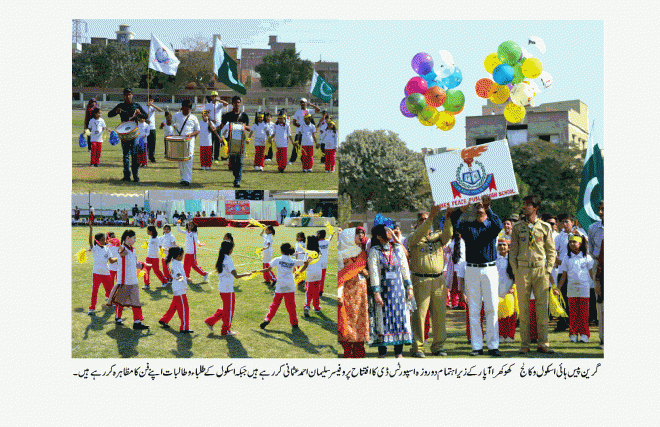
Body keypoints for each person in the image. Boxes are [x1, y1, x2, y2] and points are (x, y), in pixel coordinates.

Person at [456, 196, 503, 357]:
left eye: (482, 205)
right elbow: (455, 223)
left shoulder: (491, 226)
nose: (480, 207)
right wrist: (461, 210)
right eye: (478, 205)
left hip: (489, 269)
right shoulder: (468, 226)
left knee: (491, 308)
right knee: (474, 309)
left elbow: (499, 224)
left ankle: (493, 345)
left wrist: (489, 207)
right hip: (472, 269)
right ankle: (476, 346)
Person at [509, 195, 557, 354]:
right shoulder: (517, 227)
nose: (525, 207)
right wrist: (515, 271)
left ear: (536, 207)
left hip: (540, 270)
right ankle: (524, 344)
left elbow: (551, 251)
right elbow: (513, 252)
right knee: (523, 309)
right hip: (522, 270)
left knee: (542, 308)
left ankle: (543, 343)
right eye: (524, 204)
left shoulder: (544, 227)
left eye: (529, 205)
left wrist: (548, 269)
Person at [407, 205, 454, 357]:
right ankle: (418, 347)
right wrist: (431, 217)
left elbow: (448, 235)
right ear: (417, 222)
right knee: (419, 316)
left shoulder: (437, 237)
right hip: (421, 280)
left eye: (427, 219)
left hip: (438, 280)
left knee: (439, 315)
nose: (425, 222)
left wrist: (447, 218)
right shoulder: (413, 237)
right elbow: (419, 233)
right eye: (422, 220)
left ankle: (438, 346)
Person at [368, 224, 414, 358]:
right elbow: (374, 273)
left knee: (400, 319)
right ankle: (382, 353)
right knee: (382, 320)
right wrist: (376, 293)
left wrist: (409, 288)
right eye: (386, 230)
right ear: (378, 235)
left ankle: (398, 352)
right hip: (383, 291)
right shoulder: (374, 252)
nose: (390, 231)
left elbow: (405, 270)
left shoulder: (398, 249)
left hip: (399, 291)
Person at [204, 241, 254, 335]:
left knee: (227, 308)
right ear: (229, 249)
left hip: (223, 287)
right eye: (232, 248)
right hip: (227, 289)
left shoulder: (221, 258)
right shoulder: (228, 260)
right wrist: (247, 274)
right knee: (229, 310)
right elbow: (236, 275)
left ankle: (210, 321)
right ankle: (225, 330)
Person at [258, 243, 309, 330]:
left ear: (281, 250)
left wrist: (257, 271)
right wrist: (300, 271)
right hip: (290, 286)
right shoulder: (293, 261)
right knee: (291, 306)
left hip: (280, 286)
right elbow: (305, 263)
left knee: (274, 305)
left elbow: (268, 269)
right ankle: (294, 323)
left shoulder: (277, 259)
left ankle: (267, 319)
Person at [106, 229, 149, 329]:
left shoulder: (133, 250)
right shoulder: (123, 249)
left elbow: (135, 264)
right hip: (124, 281)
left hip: (133, 280)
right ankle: (118, 317)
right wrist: (118, 244)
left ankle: (137, 322)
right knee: (120, 301)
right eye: (133, 238)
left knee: (136, 301)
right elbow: (121, 250)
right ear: (127, 238)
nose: (135, 240)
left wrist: (143, 265)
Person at [338, 227, 369, 358]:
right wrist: (339, 294)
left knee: (360, 321)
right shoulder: (341, 254)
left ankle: (359, 351)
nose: (360, 237)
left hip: (361, 293)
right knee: (347, 321)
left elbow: (366, 269)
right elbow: (339, 276)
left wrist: (366, 272)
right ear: (349, 237)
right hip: (347, 292)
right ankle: (347, 351)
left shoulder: (362, 252)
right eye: (357, 235)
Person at [557, 235, 594, 343]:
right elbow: (564, 276)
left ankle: (584, 335)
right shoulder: (567, 258)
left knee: (583, 313)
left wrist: (597, 286)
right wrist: (558, 289)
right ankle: (573, 334)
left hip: (584, 289)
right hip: (572, 289)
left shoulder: (587, 257)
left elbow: (592, 274)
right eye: (570, 242)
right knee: (573, 313)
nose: (572, 244)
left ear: (581, 244)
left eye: (575, 242)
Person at [107, 88, 148, 182]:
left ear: (132, 95)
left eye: (129, 94)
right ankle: (126, 176)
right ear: (124, 96)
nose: (128, 96)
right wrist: (116, 112)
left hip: (134, 134)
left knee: (134, 155)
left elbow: (146, 116)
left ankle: (136, 176)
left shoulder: (136, 105)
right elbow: (109, 114)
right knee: (125, 155)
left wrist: (140, 113)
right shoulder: (120, 106)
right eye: (125, 94)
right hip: (124, 134)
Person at [158, 247, 193, 333]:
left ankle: (164, 320)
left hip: (179, 289)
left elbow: (180, 275)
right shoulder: (175, 264)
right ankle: (184, 328)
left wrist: (186, 278)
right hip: (179, 290)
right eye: (182, 255)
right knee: (184, 309)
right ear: (178, 256)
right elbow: (178, 276)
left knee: (174, 306)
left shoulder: (177, 262)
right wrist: (185, 280)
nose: (183, 256)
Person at [219, 95, 251, 187]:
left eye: (238, 102)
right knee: (233, 161)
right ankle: (236, 175)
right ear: (232, 103)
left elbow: (249, 128)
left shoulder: (244, 115)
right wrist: (215, 129)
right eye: (235, 102)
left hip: (241, 141)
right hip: (231, 140)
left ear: (240, 103)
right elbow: (221, 126)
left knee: (240, 161)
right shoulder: (228, 115)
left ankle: (237, 180)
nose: (237, 104)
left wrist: (244, 126)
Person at [87, 223, 116, 314]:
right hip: (96, 273)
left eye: (104, 239)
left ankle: (111, 302)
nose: (104, 241)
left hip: (106, 273)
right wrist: (91, 229)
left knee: (110, 289)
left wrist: (119, 258)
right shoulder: (94, 248)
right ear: (97, 240)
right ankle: (92, 308)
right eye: (102, 240)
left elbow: (111, 261)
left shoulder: (107, 249)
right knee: (94, 291)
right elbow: (90, 241)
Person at [172, 100, 201, 186]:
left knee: (188, 159)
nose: (185, 111)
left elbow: (198, 130)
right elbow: (170, 123)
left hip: (189, 141)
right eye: (184, 109)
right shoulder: (176, 115)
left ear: (190, 109)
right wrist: (168, 119)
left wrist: (190, 134)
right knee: (181, 161)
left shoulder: (193, 118)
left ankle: (187, 179)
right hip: (179, 141)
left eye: (187, 110)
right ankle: (183, 178)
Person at [496, 237, 516, 342]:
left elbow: (516, 275)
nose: (502, 247)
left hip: (510, 289)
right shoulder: (495, 259)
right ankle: (501, 335)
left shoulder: (512, 260)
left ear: (508, 248)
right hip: (498, 289)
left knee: (510, 313)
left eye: (504, 245)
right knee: (500, 313)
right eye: (500, 245)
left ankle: (510, 335)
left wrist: (513, 288)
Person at [588, 200, 604, 327]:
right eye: (599, 209)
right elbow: (591, 249)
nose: (600, 212)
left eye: (603, 209)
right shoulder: (593, 228)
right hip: (599, 265)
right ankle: (603, 337)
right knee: (600, 299)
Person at [291, 98, 320, 164]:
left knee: (306, 147)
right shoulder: (298, 112)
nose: (302, 103)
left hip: (308, 132)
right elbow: (294, 122)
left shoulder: (309, 111)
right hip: (299, 132)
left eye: (304, 102)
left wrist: (311, 104)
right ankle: (292, 160)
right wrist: (301, 127)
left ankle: (304, 159)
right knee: (296, 146)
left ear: (306, 103)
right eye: (301, 102)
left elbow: (318, 109)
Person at [204, 91, 229, 162]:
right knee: (210, 141)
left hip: (218, 125)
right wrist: (211, 120)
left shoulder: (220, 105)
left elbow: (226, 104)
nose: (214, 97)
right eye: (213, 96)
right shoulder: (208, 105)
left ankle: (216, 157)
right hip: (211, 125)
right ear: (211, 97)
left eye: (216, 96)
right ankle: (210, 156)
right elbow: (205, 115)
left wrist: (218, 100)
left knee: (218, 142)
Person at [303, 236, 323, 317]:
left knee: (309, 291)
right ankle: (316, 306)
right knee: (316, 291)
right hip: (318, 273)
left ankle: (307, 306)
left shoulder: (308, 252)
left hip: (311, 274)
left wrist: (299, 272)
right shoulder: (319, 251)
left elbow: (305, 264)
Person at [143, 226, 167, 290]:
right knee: (146, 270)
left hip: (155, 258)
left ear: (151, 231)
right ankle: (146, 284)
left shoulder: (157, 239)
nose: (147, 232)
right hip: (148, 257)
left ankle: (164, 281)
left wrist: (163, 255)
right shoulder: (150, 237)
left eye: (148, 230)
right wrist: (147, 245)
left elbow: (160, 247)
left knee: (156, 270)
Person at [145, 97, 163, 163]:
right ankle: (145, 157)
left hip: (152, 128)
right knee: (146, 144)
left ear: (152, 101)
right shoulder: (143, 107)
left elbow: (160, 110)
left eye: (150, 101)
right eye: (148, 100)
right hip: (145, 128)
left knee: (152, 144)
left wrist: (152, 105)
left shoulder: (152, 108)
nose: (149, 102)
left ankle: (152, 157)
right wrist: (145, 121)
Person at [317, 229, 333, 297]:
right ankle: (321, 290)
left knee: (317, 276)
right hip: (324, 262)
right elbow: (330, 239)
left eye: (317, 234)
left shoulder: (316, 242)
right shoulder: (326, 242)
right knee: (322, 277)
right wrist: (332, 234)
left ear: (320, 235)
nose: (316, 235)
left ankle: (317, 290)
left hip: (318, 262)